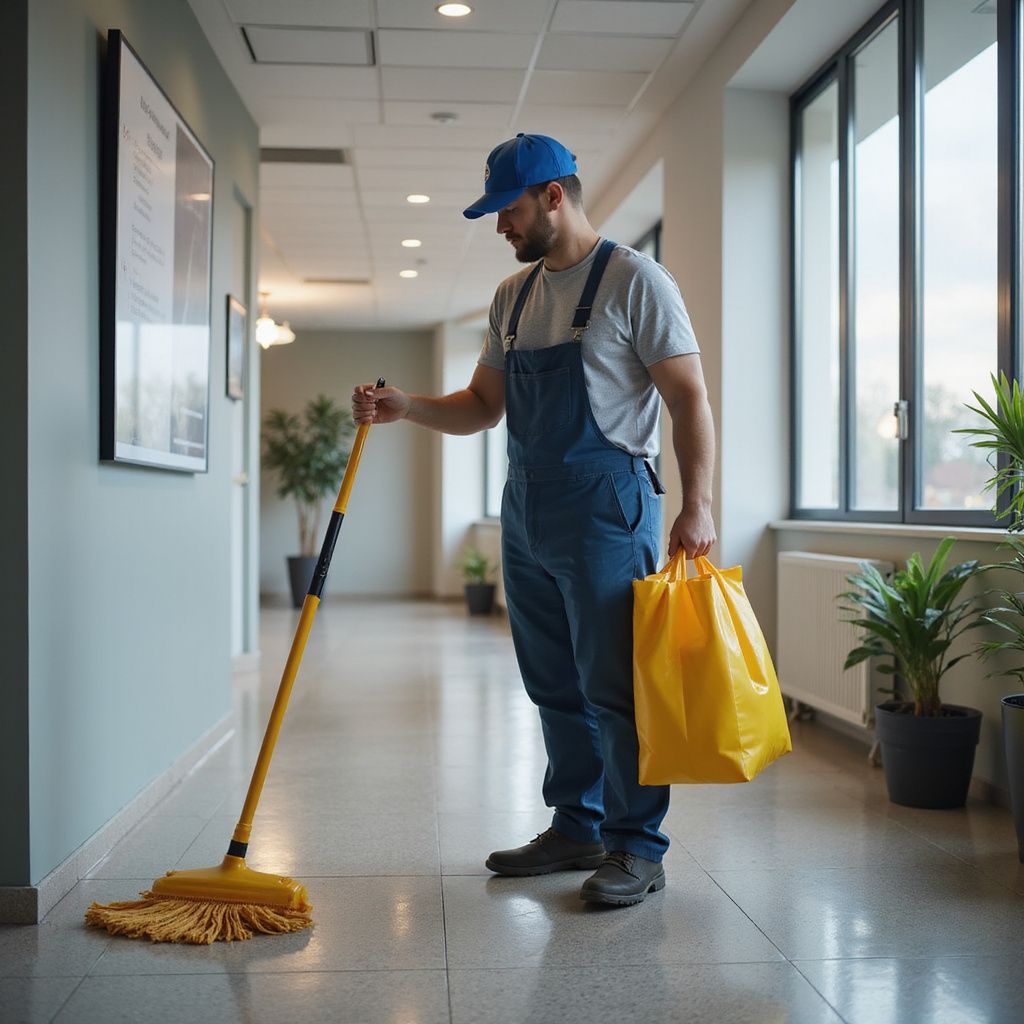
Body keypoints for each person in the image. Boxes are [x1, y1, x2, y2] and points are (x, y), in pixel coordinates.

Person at [352, 133, 715, 907]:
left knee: (615, 686)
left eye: (507, 210)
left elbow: (688, 397)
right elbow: (484, 408)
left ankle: (636, 846)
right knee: (553, 682)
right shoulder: (511, 298)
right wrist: (407, 406)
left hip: (605, 501)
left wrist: (699, 503)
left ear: (554, 195)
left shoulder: (635, 281)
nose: (499, 228)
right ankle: (576, 823)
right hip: (527, 504)